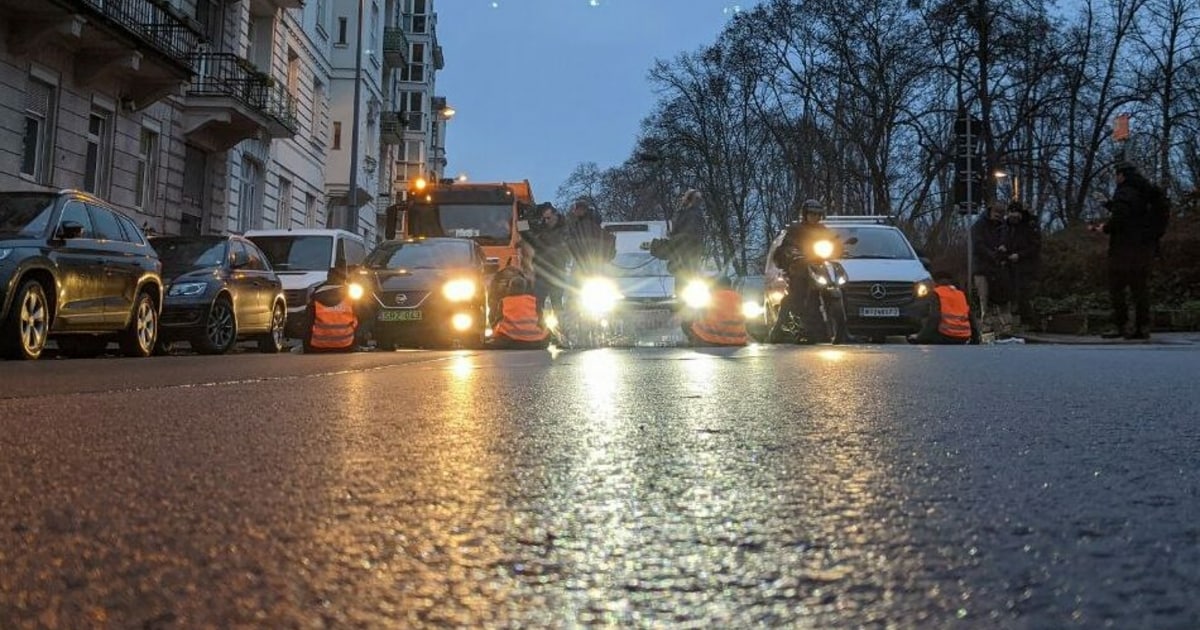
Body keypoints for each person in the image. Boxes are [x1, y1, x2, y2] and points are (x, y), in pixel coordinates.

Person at [1091, 161, 1161, 339]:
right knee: (1140, 289)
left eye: (1116, 175)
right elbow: (1133, 213)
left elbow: (1121, 217)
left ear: (1121, 175)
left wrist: (1104, 228)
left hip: (1124, 250)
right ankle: (1142, 326)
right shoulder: (1145, 192)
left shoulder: (1124, 192)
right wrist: (1108, 204)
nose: (1116, 178)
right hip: (1143, 247)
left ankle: (1121, 325)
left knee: (1117, 288)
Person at [767, 198, 839, 342]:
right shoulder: (796, 229)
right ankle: (780, 327)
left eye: (818, 214)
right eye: (812, 214)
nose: (815, 217)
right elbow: (786, 246)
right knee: (798, 293)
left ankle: (840, 329)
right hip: (800, 267)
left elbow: (834, 244)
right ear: (805, 214)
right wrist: (792, 252)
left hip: (820, 267)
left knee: (836, 286)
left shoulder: (824, 230)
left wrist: (841, 249)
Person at [907, 270, 981, 345]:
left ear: (935, 282)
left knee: (918, 333)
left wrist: (920, 338)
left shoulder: (936, 293)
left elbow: (934, 317)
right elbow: (971, 317)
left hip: (945, 335)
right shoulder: (961, 294)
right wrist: (975, 339)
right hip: (963, 337)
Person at [971, 200, 1011, 332]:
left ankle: (1002, 325)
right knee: (984, 296)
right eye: (996, 213)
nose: (998, 216)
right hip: (982, 267)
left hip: (997, 266)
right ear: (990, 211)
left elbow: (1007, 240)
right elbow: (978, 245)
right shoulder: (979, 226)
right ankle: (985, 324)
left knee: (1000, 296)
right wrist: (993, 254)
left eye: (1001, 214)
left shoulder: (1003, 227)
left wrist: (1003, 248)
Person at [526, 202, 570, 317]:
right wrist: (526, 215)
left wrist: (538, 237)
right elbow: (523, 229)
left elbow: (556, 245)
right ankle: (540, 329)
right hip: (542, 273)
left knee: (557, 304)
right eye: (544, 219)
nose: (546, 221)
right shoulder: (541, 229)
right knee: (537, 303)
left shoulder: (564, 230)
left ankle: (561, 329)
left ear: (555, 215)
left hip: (556, 272)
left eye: (548, 218)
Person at [1003, 201, 1042, 330]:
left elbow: (1035, 246)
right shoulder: (1006, 227)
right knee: (1016, 295)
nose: (1013, 216)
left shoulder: (1029, 226)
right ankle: (1025, 322)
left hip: (1027, 267)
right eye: (1011, 213)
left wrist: (1020, 255)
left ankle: (1032, 323)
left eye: (1016, 213)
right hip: (1012, 267)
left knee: (1026, 295)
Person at [303, 266, 359, 353]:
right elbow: (363, 316)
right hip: (346, 345)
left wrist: (306, 348)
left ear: (328, 277)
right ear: (344, 278)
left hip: (317, 346)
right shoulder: (351, 295)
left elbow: (307, 324)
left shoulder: (316, 295)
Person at [489, 275, 550, 349]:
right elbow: (541, 322)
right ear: (524, 288)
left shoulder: (504, 301)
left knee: (498, 332)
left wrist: (494, 334)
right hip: (534, 341)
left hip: (510, 341)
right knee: (547, 332)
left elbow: (498, 321)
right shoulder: (534, 300)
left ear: (510, 288)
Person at [685, 276, 748, 347]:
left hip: (711, 339)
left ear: (716, 285)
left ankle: (692, 344)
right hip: (738, 340)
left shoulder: (710, 296)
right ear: (730, 285)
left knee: (689, 323)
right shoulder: (739, 297)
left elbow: (696, 312)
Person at [563, 197, 615, 277]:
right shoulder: (574, 225)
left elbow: (607, 239)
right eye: (576, 210)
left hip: (590, 263)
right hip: (581, 262)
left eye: (579, 210)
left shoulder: (588, 224)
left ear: (584, 210)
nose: (576, 212)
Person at [665, 189, 707, 286]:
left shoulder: (693, 214)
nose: (683, 199)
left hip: (686, 253)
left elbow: (689, 234)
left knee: (684, 279)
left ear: (688, 199)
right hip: (684, 253)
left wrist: (674, 237)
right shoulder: (685, 212)